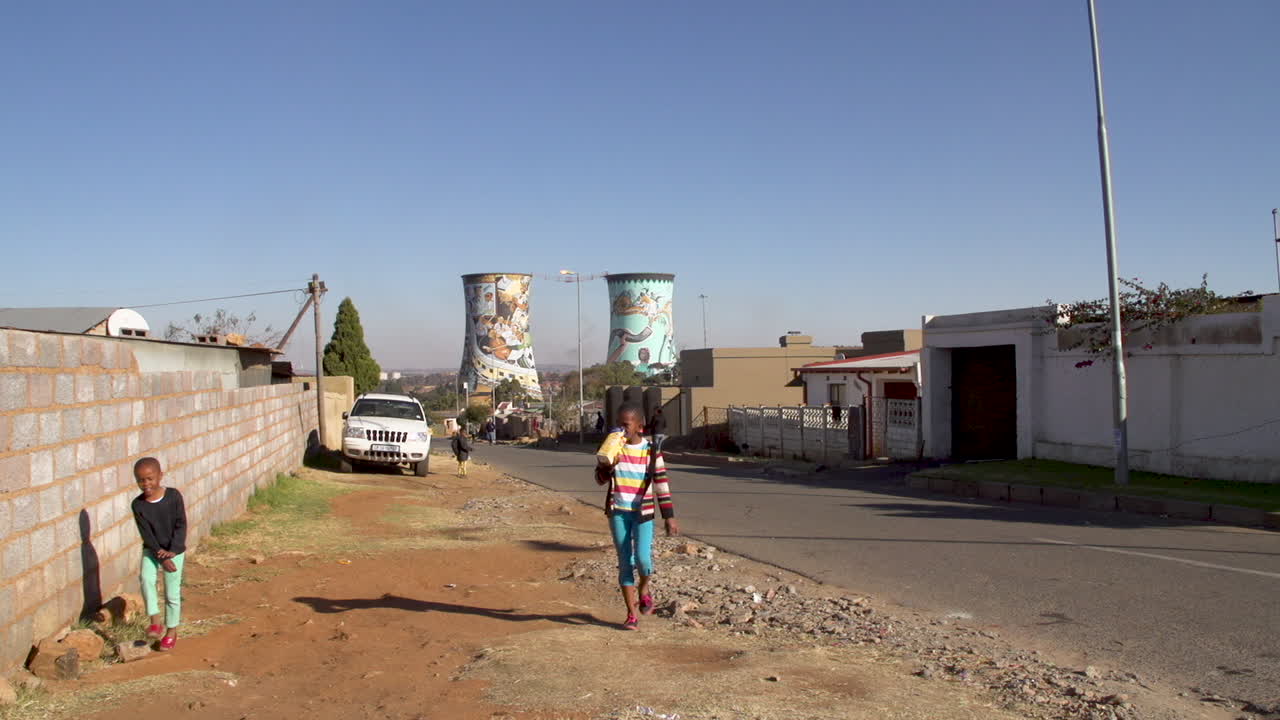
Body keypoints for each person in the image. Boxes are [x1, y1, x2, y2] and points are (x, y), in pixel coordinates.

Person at [595, 404, 679, 630]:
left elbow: (661, 485)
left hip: (643, 515)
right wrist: (607, 465)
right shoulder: (614, 449)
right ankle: (631, 613)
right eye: (619, 424)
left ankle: (644, 587)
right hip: (618, 512)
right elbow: (599, 479)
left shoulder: (651, 452)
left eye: (626, 424)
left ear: (639, 426)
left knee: (643, 560)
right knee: (624, 562)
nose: (621, 429)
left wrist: (669, 517)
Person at [131, 457, 187, 651]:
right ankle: (155, 620)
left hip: (174, 551)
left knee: (172, 593)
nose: (146, 484)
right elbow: (145, 533)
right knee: (146, 578)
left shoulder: (173, 497)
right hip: (152, 549)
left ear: (160, 476)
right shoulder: (138, 505)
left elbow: (181, 525)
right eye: (140, 480)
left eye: (150, 478)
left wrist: (172, 552)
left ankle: (171, 631)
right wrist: (159, 555)